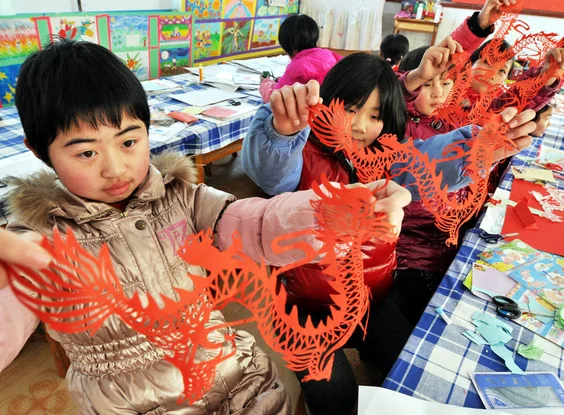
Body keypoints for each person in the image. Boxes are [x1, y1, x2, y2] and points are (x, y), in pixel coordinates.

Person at [0, 39, 411, 414]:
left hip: (240, 379)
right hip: (137, 403)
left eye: (128, 142)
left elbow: (257, 223)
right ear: (40, 151)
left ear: (147, 130)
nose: (116, 168)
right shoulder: (38, 241)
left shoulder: (180, 196)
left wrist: (332, 212)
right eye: (86, 152)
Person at [242, 52, 536, 414]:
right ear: (327, 103)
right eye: (350, 109)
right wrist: (281, 132)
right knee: (337, 400)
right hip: (305, 311)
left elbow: (429, 159)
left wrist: (478, 148)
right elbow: (271, 173)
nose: (360, 125)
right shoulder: (300, 152)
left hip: (372, 300)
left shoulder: (386, 157)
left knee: (413, 369)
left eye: (376, 115)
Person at [259, 14, 342, 102]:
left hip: (307, 114)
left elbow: (272, 98)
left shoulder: (296, 68)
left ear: (286, 45)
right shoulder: (329, 55)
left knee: (264, 111)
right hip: (332, 110)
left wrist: (265, 83)